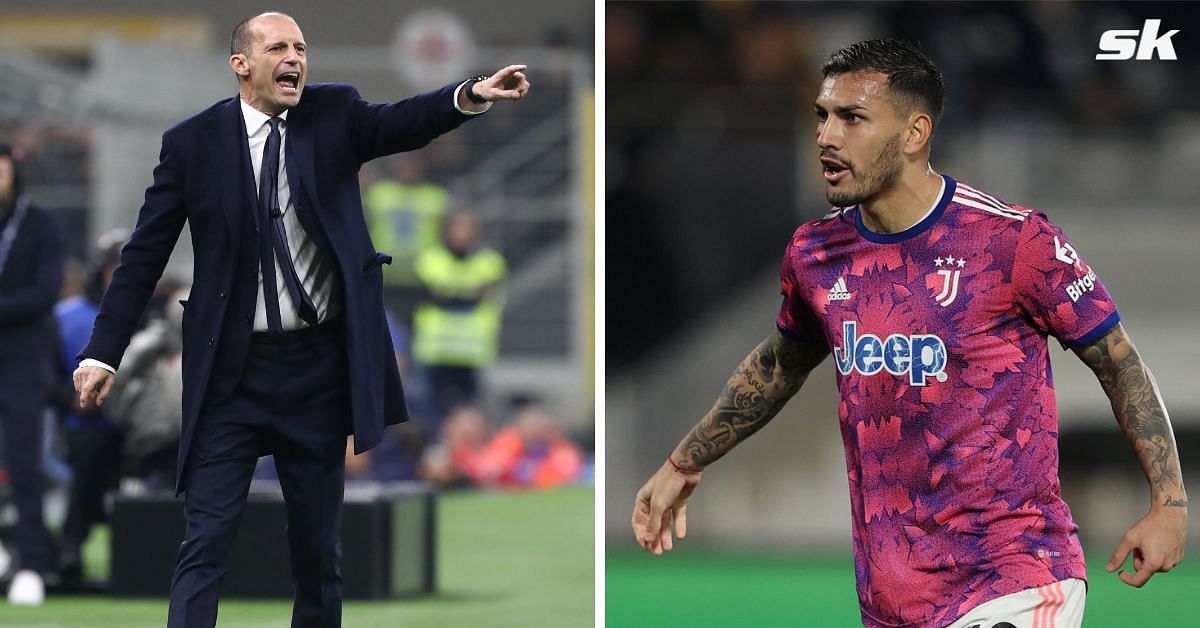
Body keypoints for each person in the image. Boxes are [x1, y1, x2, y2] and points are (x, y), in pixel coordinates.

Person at [631, 39, 1187, 628]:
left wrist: (1170, 503)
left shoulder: (1013, 241)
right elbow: (779, 366)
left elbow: (1119, 362)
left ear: (915, 133)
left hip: (1014, 579)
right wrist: (683, 462)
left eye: (852, 117)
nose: (826, 135)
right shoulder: (816, 253)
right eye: (822, 114)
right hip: (893, 598)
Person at [71, 12, 529, 628]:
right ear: (242, 64)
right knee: (204, 541)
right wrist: (103, 352)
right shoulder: (192, 144)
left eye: (302, 48)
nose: (295, 58)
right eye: (279, 47)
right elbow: (143, 257)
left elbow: (402, 122)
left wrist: (469, 94)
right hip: (230, 375)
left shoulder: (333, 114)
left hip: (315, 370)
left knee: (317, 553)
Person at [0, 143, 64, 605]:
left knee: (25, 467)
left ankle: (32, 564)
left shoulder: (40, 224)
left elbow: (44, 293)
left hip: (23, 363)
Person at [412, 211, 507, 420]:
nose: (461, 234)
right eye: (457, 228)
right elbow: (435, 294)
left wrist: (449, 292)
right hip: (436, 351)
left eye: (467, 229)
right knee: (429, 410)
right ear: (447, 231)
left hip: (472, 352)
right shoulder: (431, 259)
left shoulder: (490, 262)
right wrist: (467, 291)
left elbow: (481, 294)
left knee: (472, 413)